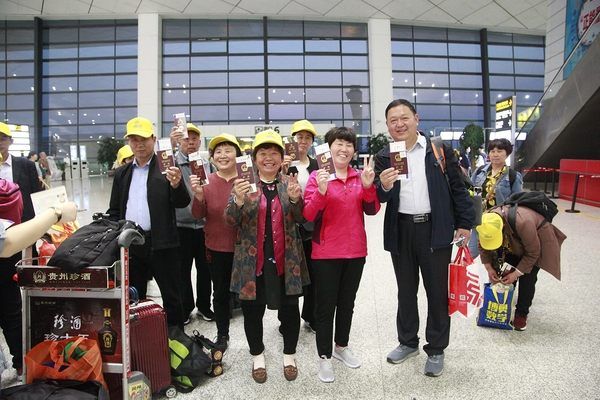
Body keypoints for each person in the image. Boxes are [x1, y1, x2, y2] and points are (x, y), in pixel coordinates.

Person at [374, 99, 475, 377]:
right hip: (401, 229)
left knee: (436, 292)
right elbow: (379, 197)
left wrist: (465, 223)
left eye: (404, 118)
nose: (399, 124)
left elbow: (458, 187)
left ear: (416, 119)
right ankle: (408, 342)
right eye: (393, 120)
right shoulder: (385, 155)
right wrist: (384, 185)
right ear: (387, 126)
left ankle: (436, 348)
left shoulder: (438, 149)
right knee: (405, 290)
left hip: (435, 229)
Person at [225, 129, 309, 383]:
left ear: (282, 158)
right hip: (252, 263)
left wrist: (295, 200)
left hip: (287, 260)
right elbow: (230, 220)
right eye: (263, 153)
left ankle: (289, 355)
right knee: (252, 311)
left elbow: (301, 218)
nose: (269, 158)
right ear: (255, 158)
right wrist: (238, 200)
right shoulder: (244, 184)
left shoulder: (288, 183)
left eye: (274, 153)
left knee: (290, 309)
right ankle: (257, 355)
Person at [303, 126, 380, 383]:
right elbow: (308, 214)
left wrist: (368, 187)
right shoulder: (317, 177)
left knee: (347, 303)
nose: (344, 149)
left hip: (356, 251)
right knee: (325, 307)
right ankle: (324, 356)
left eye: (348, 145)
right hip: (326, 253)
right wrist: (322, 191)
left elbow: (372, 210)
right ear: (328, 148)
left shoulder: (360, 177)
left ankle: (341, 347)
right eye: (339, 143)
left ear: (354, 151)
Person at [106, 116, 190, 327]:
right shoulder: (123, 173)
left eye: (143, 139)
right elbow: (115, 209)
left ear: (153, 139)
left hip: (162, 243)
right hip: (131, 244)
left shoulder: (166, 167)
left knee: (172, 295)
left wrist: (177, 184)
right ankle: (141, 338)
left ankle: (175, 337)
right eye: (134, 140)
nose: (139, 144)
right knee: (135, 296)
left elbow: (182, 201)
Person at [191, 133, 243, 349]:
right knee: (220, 293)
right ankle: (222, 334)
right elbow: (197, 214)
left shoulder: (248, 179)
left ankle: (254, 337)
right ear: (212, 158)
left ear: (237, 155)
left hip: (245, 247)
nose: (223, 155)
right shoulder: (207, 181)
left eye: (228, 150)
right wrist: (198, 196)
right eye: (218, 152)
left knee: (250, 296)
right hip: (217, 247)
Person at [0, 122, 43, 378]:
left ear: (10, 141)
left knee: (16, 301)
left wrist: (42, 229)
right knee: (9, 301)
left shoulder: (25, 166)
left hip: (22, 238)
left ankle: (21, 359)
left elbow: (36, 198)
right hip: (2, 242)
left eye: (2, 138)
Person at [477, 210, 566, 331]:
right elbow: (483, 246)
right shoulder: (485, 222)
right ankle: (503, 306)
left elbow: (533, 253)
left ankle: (521, 314)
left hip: (535, 245)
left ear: (502, 228)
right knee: (505, 274)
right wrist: (489, 268)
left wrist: (516, 274)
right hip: (512, 243)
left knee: (528, 279)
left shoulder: (525, 223)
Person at [170, 122, 214, 324]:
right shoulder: (173, 163)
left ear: (199, 142)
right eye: (187, 139)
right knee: (182, 269)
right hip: (181, 225)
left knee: (205, 269)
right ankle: (186, 307)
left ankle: (204, 306)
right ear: (180, 141)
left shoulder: (206, 164)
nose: (191, 142)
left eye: (194, 138)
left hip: (204, 225)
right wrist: (170, 144)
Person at [284, 119, 319, 333]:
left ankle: (310, 315)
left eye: (307, 138)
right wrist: (282, 170)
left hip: (311, 227)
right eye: (299, 137)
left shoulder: (317, 165)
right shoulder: (284, 164)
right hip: (288, 227)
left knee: (313, 274)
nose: (303, 141)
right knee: (289, 274)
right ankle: (287, 320)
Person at [468, 138, 523, 257]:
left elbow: (517, 201)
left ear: (507, 154)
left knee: (495, 255)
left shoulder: (513, 176)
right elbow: (470, 191)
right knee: (471, 253)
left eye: (499, 151)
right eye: (492, 151)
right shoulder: (480, 171)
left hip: (498, 222)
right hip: (479, 219)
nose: (495, 154)